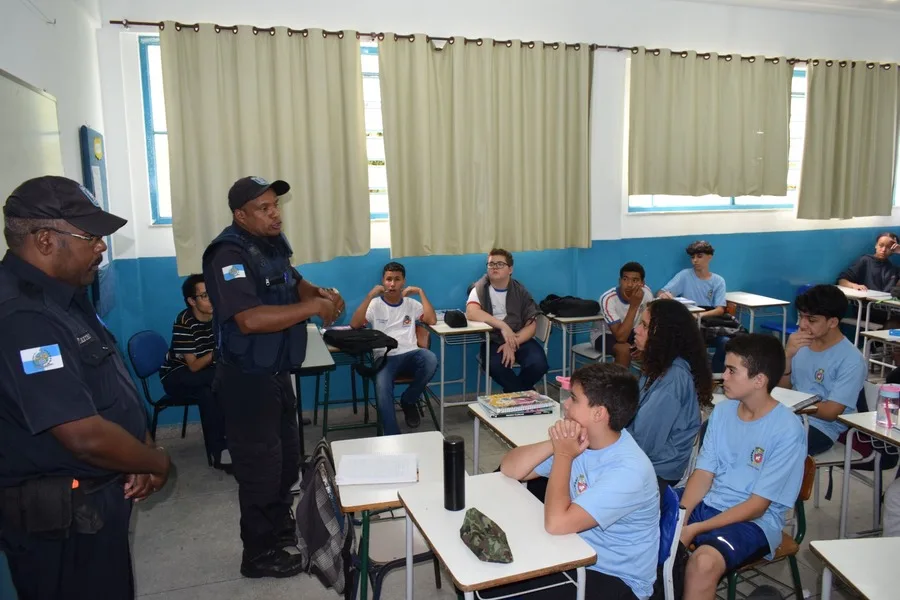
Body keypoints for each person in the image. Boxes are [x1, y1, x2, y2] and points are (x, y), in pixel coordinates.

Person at [0, 176, 172, 598]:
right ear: (44, 240)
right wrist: (156, 460)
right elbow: (81, 434)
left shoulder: (67, 297)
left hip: (94, 502)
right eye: (91, 236)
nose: (101, 247)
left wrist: (136, 444)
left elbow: (109, 385)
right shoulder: (24, 318)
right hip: (60, 522)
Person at [202, 176, 344, 579]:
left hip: (276, 373)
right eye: (263, 208)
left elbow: (294, 282)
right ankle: (257, 554)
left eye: (275, 205)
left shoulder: (270, 245)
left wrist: (322, 294)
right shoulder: (227, 255)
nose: (274, 213)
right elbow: (249, 319)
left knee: (284, 462)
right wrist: (313, 308)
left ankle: (279, 527)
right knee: (260, 469)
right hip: (246, 379)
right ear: (240, 215)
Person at [499, 363, 659, 600]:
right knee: (493, 584)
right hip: (573, 551)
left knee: (504, 593)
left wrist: (563, 454)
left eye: (573, 399)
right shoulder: (583, 441)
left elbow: (555, 523)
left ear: (599, 414)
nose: (565, 404)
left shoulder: (629, 471)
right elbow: (511, 469)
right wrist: (556, 443)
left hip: (614, 576)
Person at [679, 334, 806, 600]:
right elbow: (703, 474)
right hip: (712, 502)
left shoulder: (787, 429)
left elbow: (757, 506)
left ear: (759, 380)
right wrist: (681, 517)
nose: (723, 376)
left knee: (703, 564)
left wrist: (693, 529)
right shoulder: (723, 412)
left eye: (731, 370)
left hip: (755, 521)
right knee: (643, 518)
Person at [630, 298, 713, 496]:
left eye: (644, 325)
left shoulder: (672, 379)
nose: (636, 330)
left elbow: (644, 443)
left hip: (657, 471)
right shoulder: (660, 365)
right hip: (644, 460)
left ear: (663, 335)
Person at [349, 261, 438, 435]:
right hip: (385, 357)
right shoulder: (375, 304)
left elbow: (431, 320)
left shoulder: (410, 304)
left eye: (397, 279)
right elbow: (355, 324)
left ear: (403, 282)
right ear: (383, 281)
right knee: (382, 390)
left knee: (431, 359)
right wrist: (369, 296)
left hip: (411, 354)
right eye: (389, 279)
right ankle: (392, 436)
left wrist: (421, 292)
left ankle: (408, 400)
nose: (392, 284)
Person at [778, 285, 866, 456]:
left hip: (821, 428)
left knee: (764, 444)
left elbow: (831, 412)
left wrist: (792, 404)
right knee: (726, 423)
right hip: (789, 417)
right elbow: (782, 389)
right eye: (801, 316)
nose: (802, 324)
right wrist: (787, 356)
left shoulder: (851, 359)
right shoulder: (800, 344)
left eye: (811, 320)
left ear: (833, 322)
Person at [160, 273, 229, 470]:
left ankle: (222, 451)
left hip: (205, 376)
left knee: (209, 392)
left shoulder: (219, 315)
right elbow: (194, 366)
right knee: (224, 380)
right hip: (177, 376)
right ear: (192, 300)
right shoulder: (184, 321)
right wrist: (218, 352)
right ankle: (221, 451)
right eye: (205, 296)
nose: (212, 299)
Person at [466, 248, 548, 393]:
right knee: (495, 366)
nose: (494, 268)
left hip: (519, 338)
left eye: (499, 264)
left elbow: (531, 325)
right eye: (491, 264)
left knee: (538, 364)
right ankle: (523, 393)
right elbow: (472, 312)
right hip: (493, 339)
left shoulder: (520, 291)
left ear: (510, 269)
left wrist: (511, 342)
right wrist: (503, 326)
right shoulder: (479, 288)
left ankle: (513, 392)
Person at [658, 240, 728, 373]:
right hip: (688, 323)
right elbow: (662, 292)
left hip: (708, 323)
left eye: (699, 256)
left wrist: (699, 315)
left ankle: (715, 376)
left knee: (725, 342)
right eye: (692, 257)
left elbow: (720, 309)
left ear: (710, 257)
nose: (695, 260)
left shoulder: (718, 281)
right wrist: (664, 295)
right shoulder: (685, 275)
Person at [591, 261, 653, 368]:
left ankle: (649, 383)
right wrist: (634, 305)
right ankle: (620, 384)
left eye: (635, 280)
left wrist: (642, 345)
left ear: (642, 283)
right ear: (620, 281)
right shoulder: (608, 299)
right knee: (624, 349)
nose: (629, 284)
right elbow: (621, 337)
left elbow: (650, 324)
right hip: (606, 335)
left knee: (657, 344)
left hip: (634, 332)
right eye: (625, 279)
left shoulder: (646, 293)